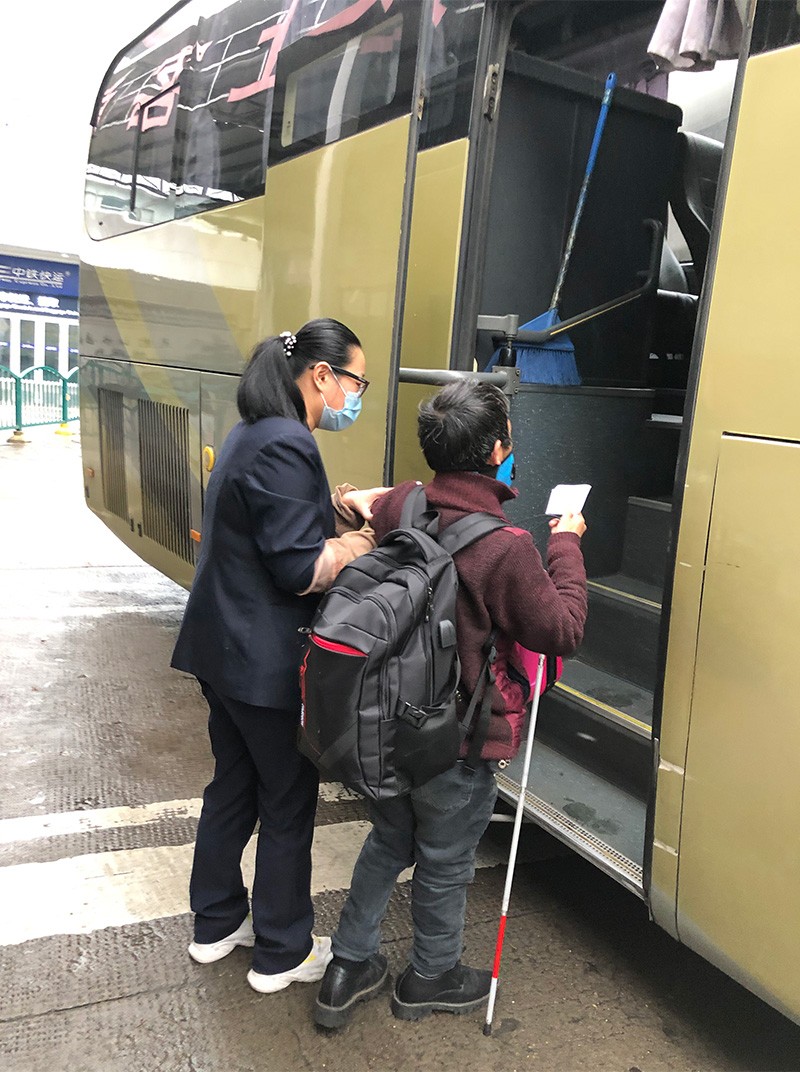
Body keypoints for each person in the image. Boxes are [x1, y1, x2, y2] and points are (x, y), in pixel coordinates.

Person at [314, 379, 587, 1028]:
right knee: (443, 862)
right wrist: (567, 542)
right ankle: (430, 977)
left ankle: (347, 966)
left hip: (383, 724)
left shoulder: (404, 503)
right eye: (508, 438)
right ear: (496, 452)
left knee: (389, 839)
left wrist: (351, 497)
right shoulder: (507, 547)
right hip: (455, 740)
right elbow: (562, 630)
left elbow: (368, 503)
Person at [171, 318, 386, 995]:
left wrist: (340, 505)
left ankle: (215, 924)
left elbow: (271, 520)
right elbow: (300, 569)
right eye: (356, 382)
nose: (356, 396)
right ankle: (282, 952)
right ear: (321, 375)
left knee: (233, 785)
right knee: (288, 800)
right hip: (261, 663)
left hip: (221, 652)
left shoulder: (253, 432)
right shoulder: (290, 441)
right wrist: (365, 540)